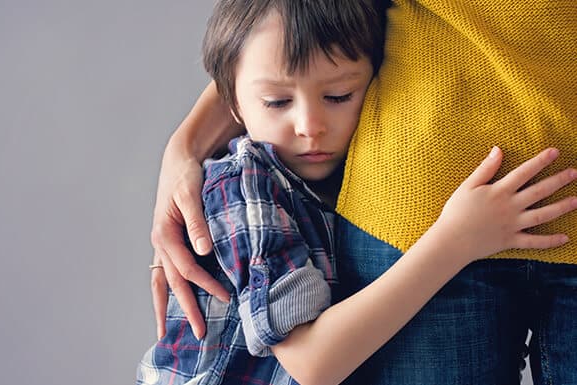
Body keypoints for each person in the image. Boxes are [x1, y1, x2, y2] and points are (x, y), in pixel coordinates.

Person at [139, 1, 577, 384]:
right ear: (234, 102)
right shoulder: (245, 189)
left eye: (339, 95)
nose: (310, 127)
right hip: (432, 234)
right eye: (277, 102)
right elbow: (311, 362)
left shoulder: (323, 170)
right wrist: (454, 241)